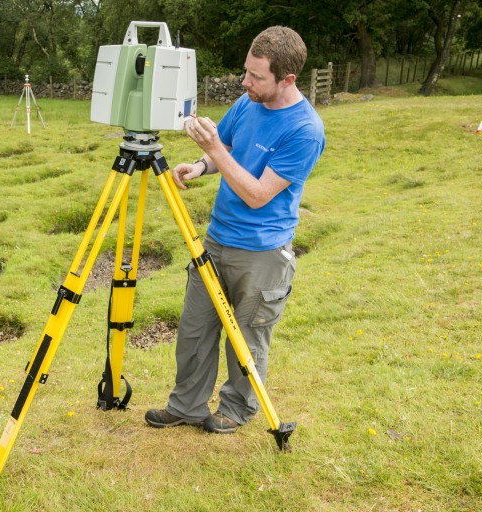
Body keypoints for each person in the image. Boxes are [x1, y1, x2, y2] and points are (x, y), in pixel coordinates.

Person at [145, 26, 325, 434]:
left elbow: (258, 194)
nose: (246, 82)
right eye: (246, 71)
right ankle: (186, 406)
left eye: (256, 76)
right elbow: (223, 150)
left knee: (247, 339)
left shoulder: (305, 130)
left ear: (287, 79)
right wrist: (200, 165)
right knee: (194, 330)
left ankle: (237, 408)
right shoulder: (247, 104)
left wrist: (213, 152)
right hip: (217, 239)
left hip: (261, 254)